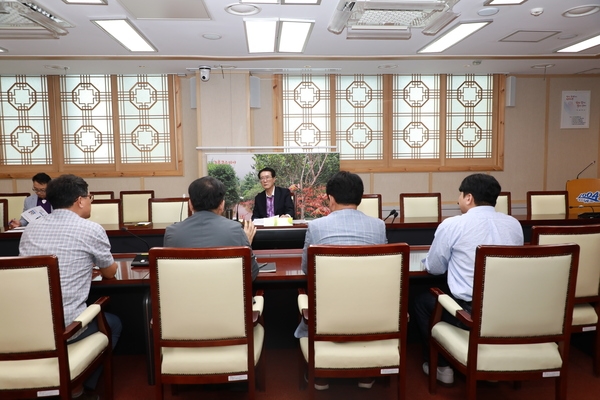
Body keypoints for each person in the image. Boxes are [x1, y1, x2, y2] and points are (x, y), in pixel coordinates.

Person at [413, 173, 524, 386]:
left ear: (468, 197)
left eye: (460, 195)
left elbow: (435, 269)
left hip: (469, 313)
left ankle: (442, 367)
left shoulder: (453, 225)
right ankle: (493, 367)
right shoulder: (513, 225)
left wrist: (427, 261)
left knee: (421, 302)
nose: (458, 200)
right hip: (507, 311)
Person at [19, 174, 121, 400]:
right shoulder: (91, 229)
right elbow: (109, 272)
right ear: (80, 200)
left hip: (27, 326)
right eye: (89, 197)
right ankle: (77, 387)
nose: (90, 201)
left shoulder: (31, 229)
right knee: (113, 323)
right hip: (66, 329)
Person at [296, 171, 387, 391]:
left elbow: (307, 270)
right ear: (360, 198)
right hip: (370, 315)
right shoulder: (378, 226)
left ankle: (321, 376)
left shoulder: (316, 227)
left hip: (328, 316)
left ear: (331, 198)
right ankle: (366, 373)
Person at [164, 176, 260, 281]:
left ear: (190, 204)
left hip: (185, 296)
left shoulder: (172, 233)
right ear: (222, 205)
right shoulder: (236, 230)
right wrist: (246, 246)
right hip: (225, 297)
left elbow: (168, 276)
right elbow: (251, 274)